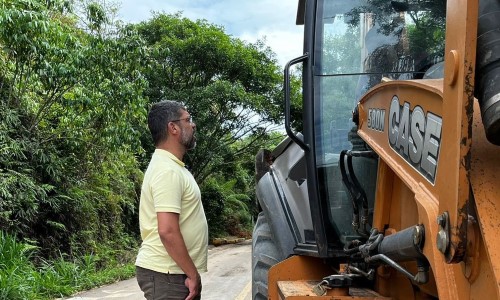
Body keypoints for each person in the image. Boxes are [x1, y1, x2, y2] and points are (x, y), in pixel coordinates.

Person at [135, 100, 208, 300]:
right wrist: (192, 274)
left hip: (171, 273)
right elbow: (167, 230)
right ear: (173, 127)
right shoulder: (167, 170)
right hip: (167, 275)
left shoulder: (173, 167)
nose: (193, 125)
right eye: (188, 120)